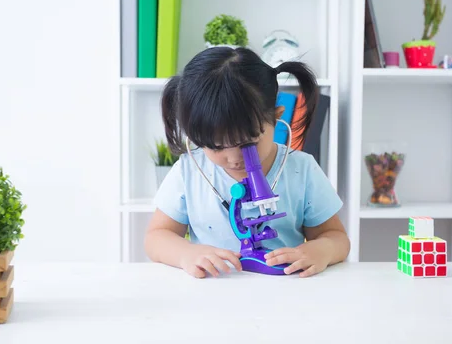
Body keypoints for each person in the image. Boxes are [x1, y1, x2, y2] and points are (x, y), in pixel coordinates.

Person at [144, 46, 350, 278]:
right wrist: (186, 254)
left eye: (247, 144)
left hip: (284, 294)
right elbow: (156, 237)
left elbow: (337, 237)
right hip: (213, 295)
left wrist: (321, 250)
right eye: (215, 146)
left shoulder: (302, 169)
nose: (234, 159)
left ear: (276, 116)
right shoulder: (188, 171)